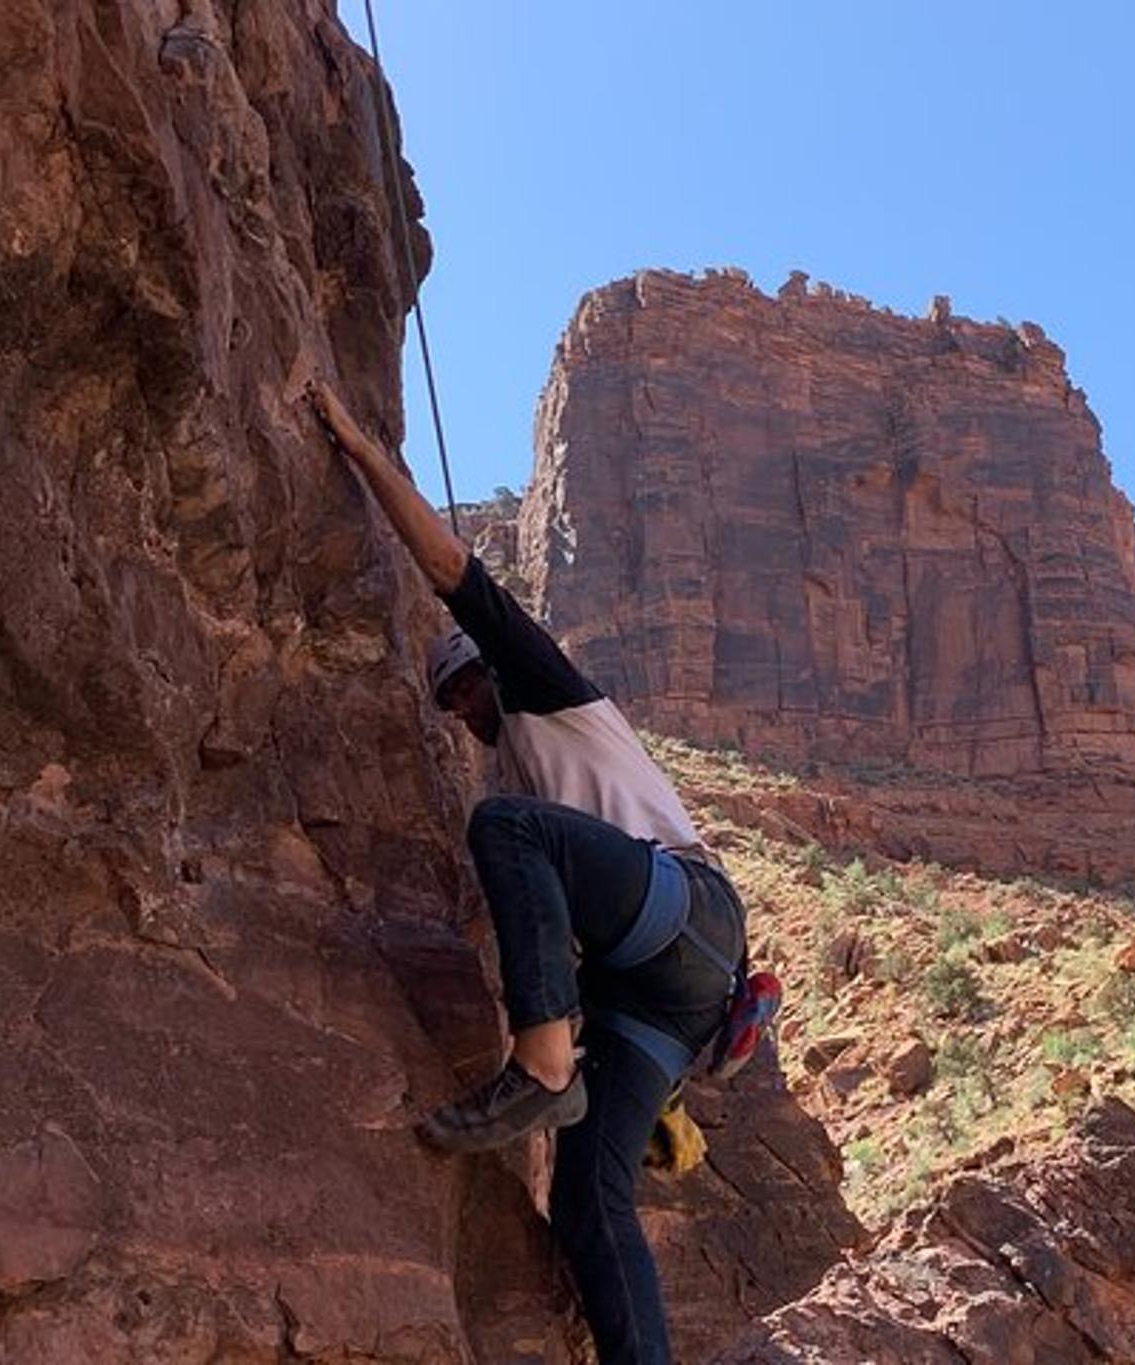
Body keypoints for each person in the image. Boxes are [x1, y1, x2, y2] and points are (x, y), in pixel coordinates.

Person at [310, 379, 737, 1365]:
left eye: (466, 684)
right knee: (589, 1196)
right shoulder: (519, 761)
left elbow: (452, 570)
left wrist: (361, 447)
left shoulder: (548, 691)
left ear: (493, 669)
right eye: (447, 700)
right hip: (662, 994)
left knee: (505, 829)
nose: (462, 707)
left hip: (685, 915)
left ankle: (543, 1068)